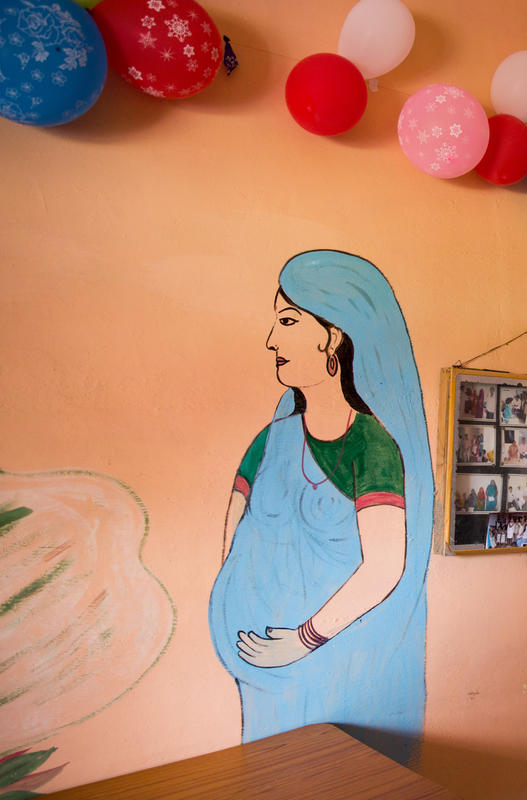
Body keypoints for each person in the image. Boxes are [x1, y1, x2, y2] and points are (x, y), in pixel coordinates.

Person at [209, 250, 432, 765]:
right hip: (265, 680)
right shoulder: (270, 440)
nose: (272, 339)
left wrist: (302, 640)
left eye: (288, 321)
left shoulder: (370, 446)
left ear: (333, 336)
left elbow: (384, 567)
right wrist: (234, 613)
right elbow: (233, 535)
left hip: (331, 671)